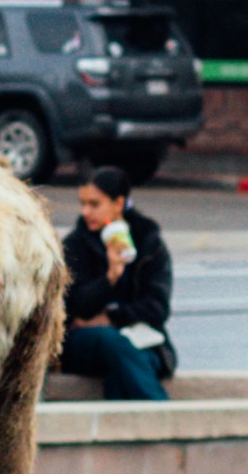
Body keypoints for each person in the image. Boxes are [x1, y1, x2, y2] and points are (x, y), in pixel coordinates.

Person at [58, 166, 174, 401]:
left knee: (134, 361)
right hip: (84, 341)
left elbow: (157, 307)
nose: (86, 212)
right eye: (83, 204)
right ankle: (163, 414)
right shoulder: (75, 245)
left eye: (94, 204)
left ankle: (128, 428)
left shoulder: (149, 243)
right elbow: (73, 306)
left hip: (141, 336)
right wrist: (110, 277)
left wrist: (112, 316)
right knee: (114, 344)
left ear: (118, 203)